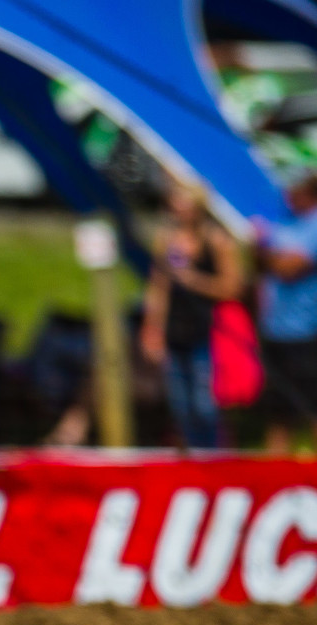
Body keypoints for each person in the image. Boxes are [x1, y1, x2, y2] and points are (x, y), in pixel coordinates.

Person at [139, 183, 244, 452]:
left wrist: (194, 280)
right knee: (181, 407)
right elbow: (158, 286)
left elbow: (233, 286)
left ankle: (214, 456)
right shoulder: (167, 239)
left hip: (207, 333)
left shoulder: (216, 240)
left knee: (206, 407)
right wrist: (152, 327)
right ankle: (191, 459)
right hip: (175, 331)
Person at [252, 171, 317, 455]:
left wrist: (262, 248)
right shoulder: (286, 219)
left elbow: (289, 268)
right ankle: (274, 476)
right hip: (274, 328)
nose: (287, 196)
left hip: (307, 333)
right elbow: (264, 265)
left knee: (314, 409)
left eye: (293, 191)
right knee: (279, 412)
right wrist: (266, 254)